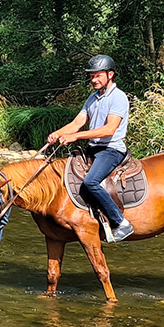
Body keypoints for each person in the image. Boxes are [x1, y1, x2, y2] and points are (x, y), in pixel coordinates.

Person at [47, 54, 135, 243]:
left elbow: (109, 129)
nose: (93, 80)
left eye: (98, 76)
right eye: (92, 76)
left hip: (111, 149)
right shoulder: (93, 98)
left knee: (90, 183)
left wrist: (75, 136)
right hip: (93, 148)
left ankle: (121, 223)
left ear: (110, 75)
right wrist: (57, 133)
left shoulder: (118, 97)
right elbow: (77, 123)